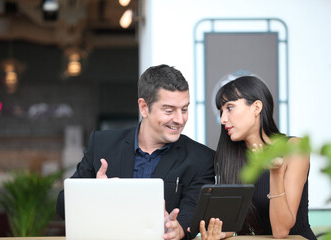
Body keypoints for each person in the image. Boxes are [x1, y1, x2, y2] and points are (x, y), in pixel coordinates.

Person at [56, 64, 215, 240]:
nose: (179, 119)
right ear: (144, 107)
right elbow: (63, 206)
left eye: (184, 109)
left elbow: (192, 212)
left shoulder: (201, 158)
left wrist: (179, 230)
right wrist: (95, 192)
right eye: (169, 110)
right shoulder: (102, 145)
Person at [198, 76, 316, 239]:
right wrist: (222, 231)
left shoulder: (294, 148)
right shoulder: (230, 158)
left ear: (256, 107)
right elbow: (234, 224)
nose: (223, 119)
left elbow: (281, 231)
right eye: (221, 111)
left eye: (230, 108)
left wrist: (276, 172)